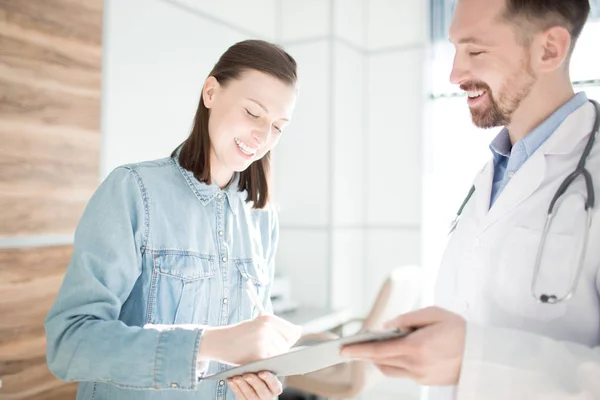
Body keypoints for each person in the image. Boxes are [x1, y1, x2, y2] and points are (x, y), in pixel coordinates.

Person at [341, 0, 600, 399]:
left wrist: (477, 360)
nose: (454, 73)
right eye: (454, 49)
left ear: (549, 49)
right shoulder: (495, 170)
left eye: (475, 51)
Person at [45, 39, 302, 400]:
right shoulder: (132, 191)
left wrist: (267, 377)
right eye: (252, 112)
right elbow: (70, 343)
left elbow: (256, 348)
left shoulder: (261, 218)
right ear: (211, 92)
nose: (262, 137)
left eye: (277, 126)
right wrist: (208, 344)